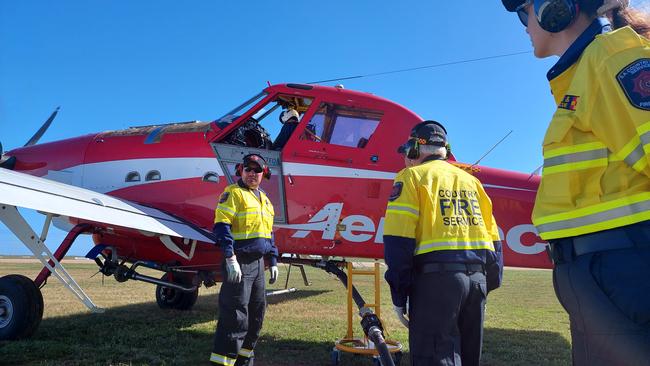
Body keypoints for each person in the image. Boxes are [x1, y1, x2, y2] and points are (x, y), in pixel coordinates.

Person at [501, 0, 650, 364]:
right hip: (602, 278)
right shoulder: (585, 72)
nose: (523, 25)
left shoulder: (614, 59)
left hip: (623, 269)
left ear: (557, 7)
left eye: (524, 12)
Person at [383, 120, 503, 366]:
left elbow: (398, 241)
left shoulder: (411, 177)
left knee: (435, 357)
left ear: (414, 149)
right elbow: (494, 240)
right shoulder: (472, 182)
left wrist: (399, 293)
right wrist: (488, 284)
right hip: (477, 282)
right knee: (469, 357)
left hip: (436, 284)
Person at [210, 153, 279, 366]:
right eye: (248, 169)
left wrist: (273, 260)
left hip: (258, 265)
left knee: (256, 316)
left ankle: (244, 360)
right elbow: (222, 226)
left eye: (257, 170)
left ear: (263, 174)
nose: (252, 173)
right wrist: (230, 258)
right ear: (241, 171)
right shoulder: (233, 193)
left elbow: (269, 233)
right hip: (239, 262)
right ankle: (224, 362)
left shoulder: (265, 199)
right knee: (235, 317)